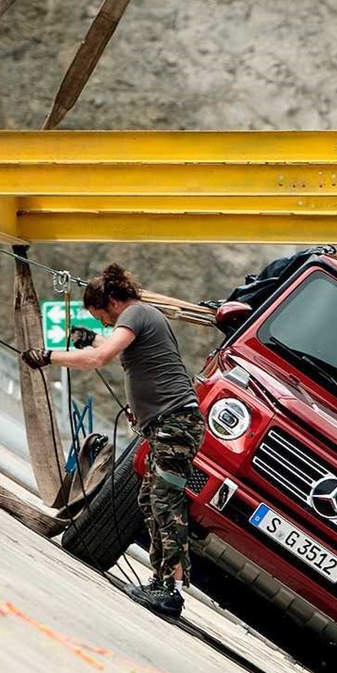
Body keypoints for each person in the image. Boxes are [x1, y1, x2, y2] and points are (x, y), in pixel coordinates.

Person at [24, 263, 203, 621]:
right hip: (167, 426)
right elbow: (106, 347)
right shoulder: (139, 317)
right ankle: (162, 582)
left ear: (112, 302)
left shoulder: (136, 314)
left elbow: (100, 358)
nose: (104, 324)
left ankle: (172, 590)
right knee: (150, 499)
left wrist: (48, 357)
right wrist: (88, 338)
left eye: (102, 317)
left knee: (165, 502)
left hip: (176, 425)